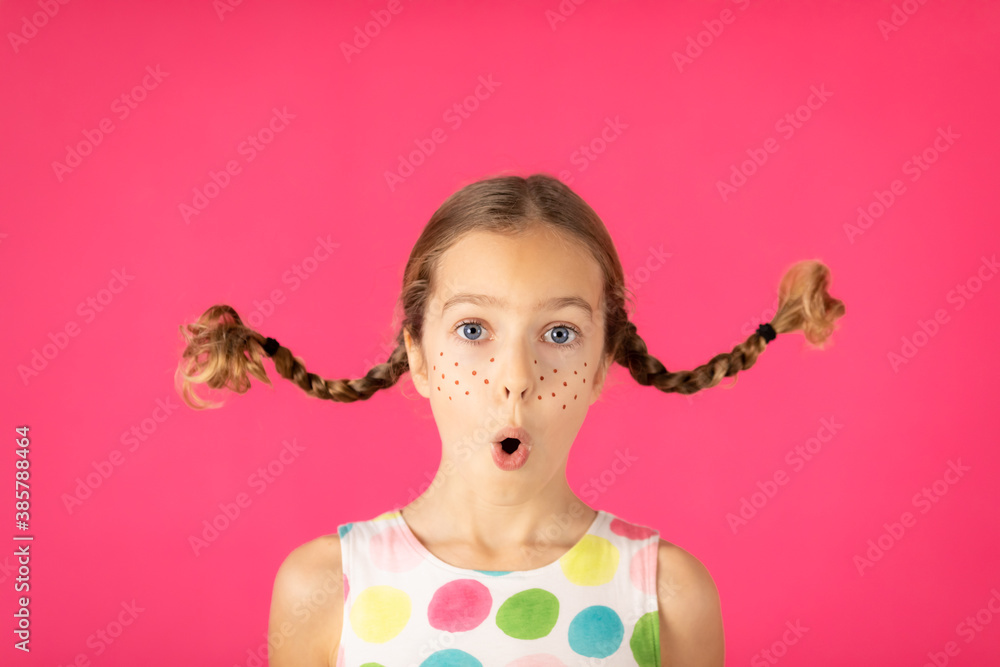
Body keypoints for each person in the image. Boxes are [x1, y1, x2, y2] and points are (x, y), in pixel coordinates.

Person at [175, 173, 845, 666]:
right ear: (419, 355)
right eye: (473, 328)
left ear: (603, 360)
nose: (517, 376)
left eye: (558, 334)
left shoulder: (668, 594)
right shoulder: (325, 585)